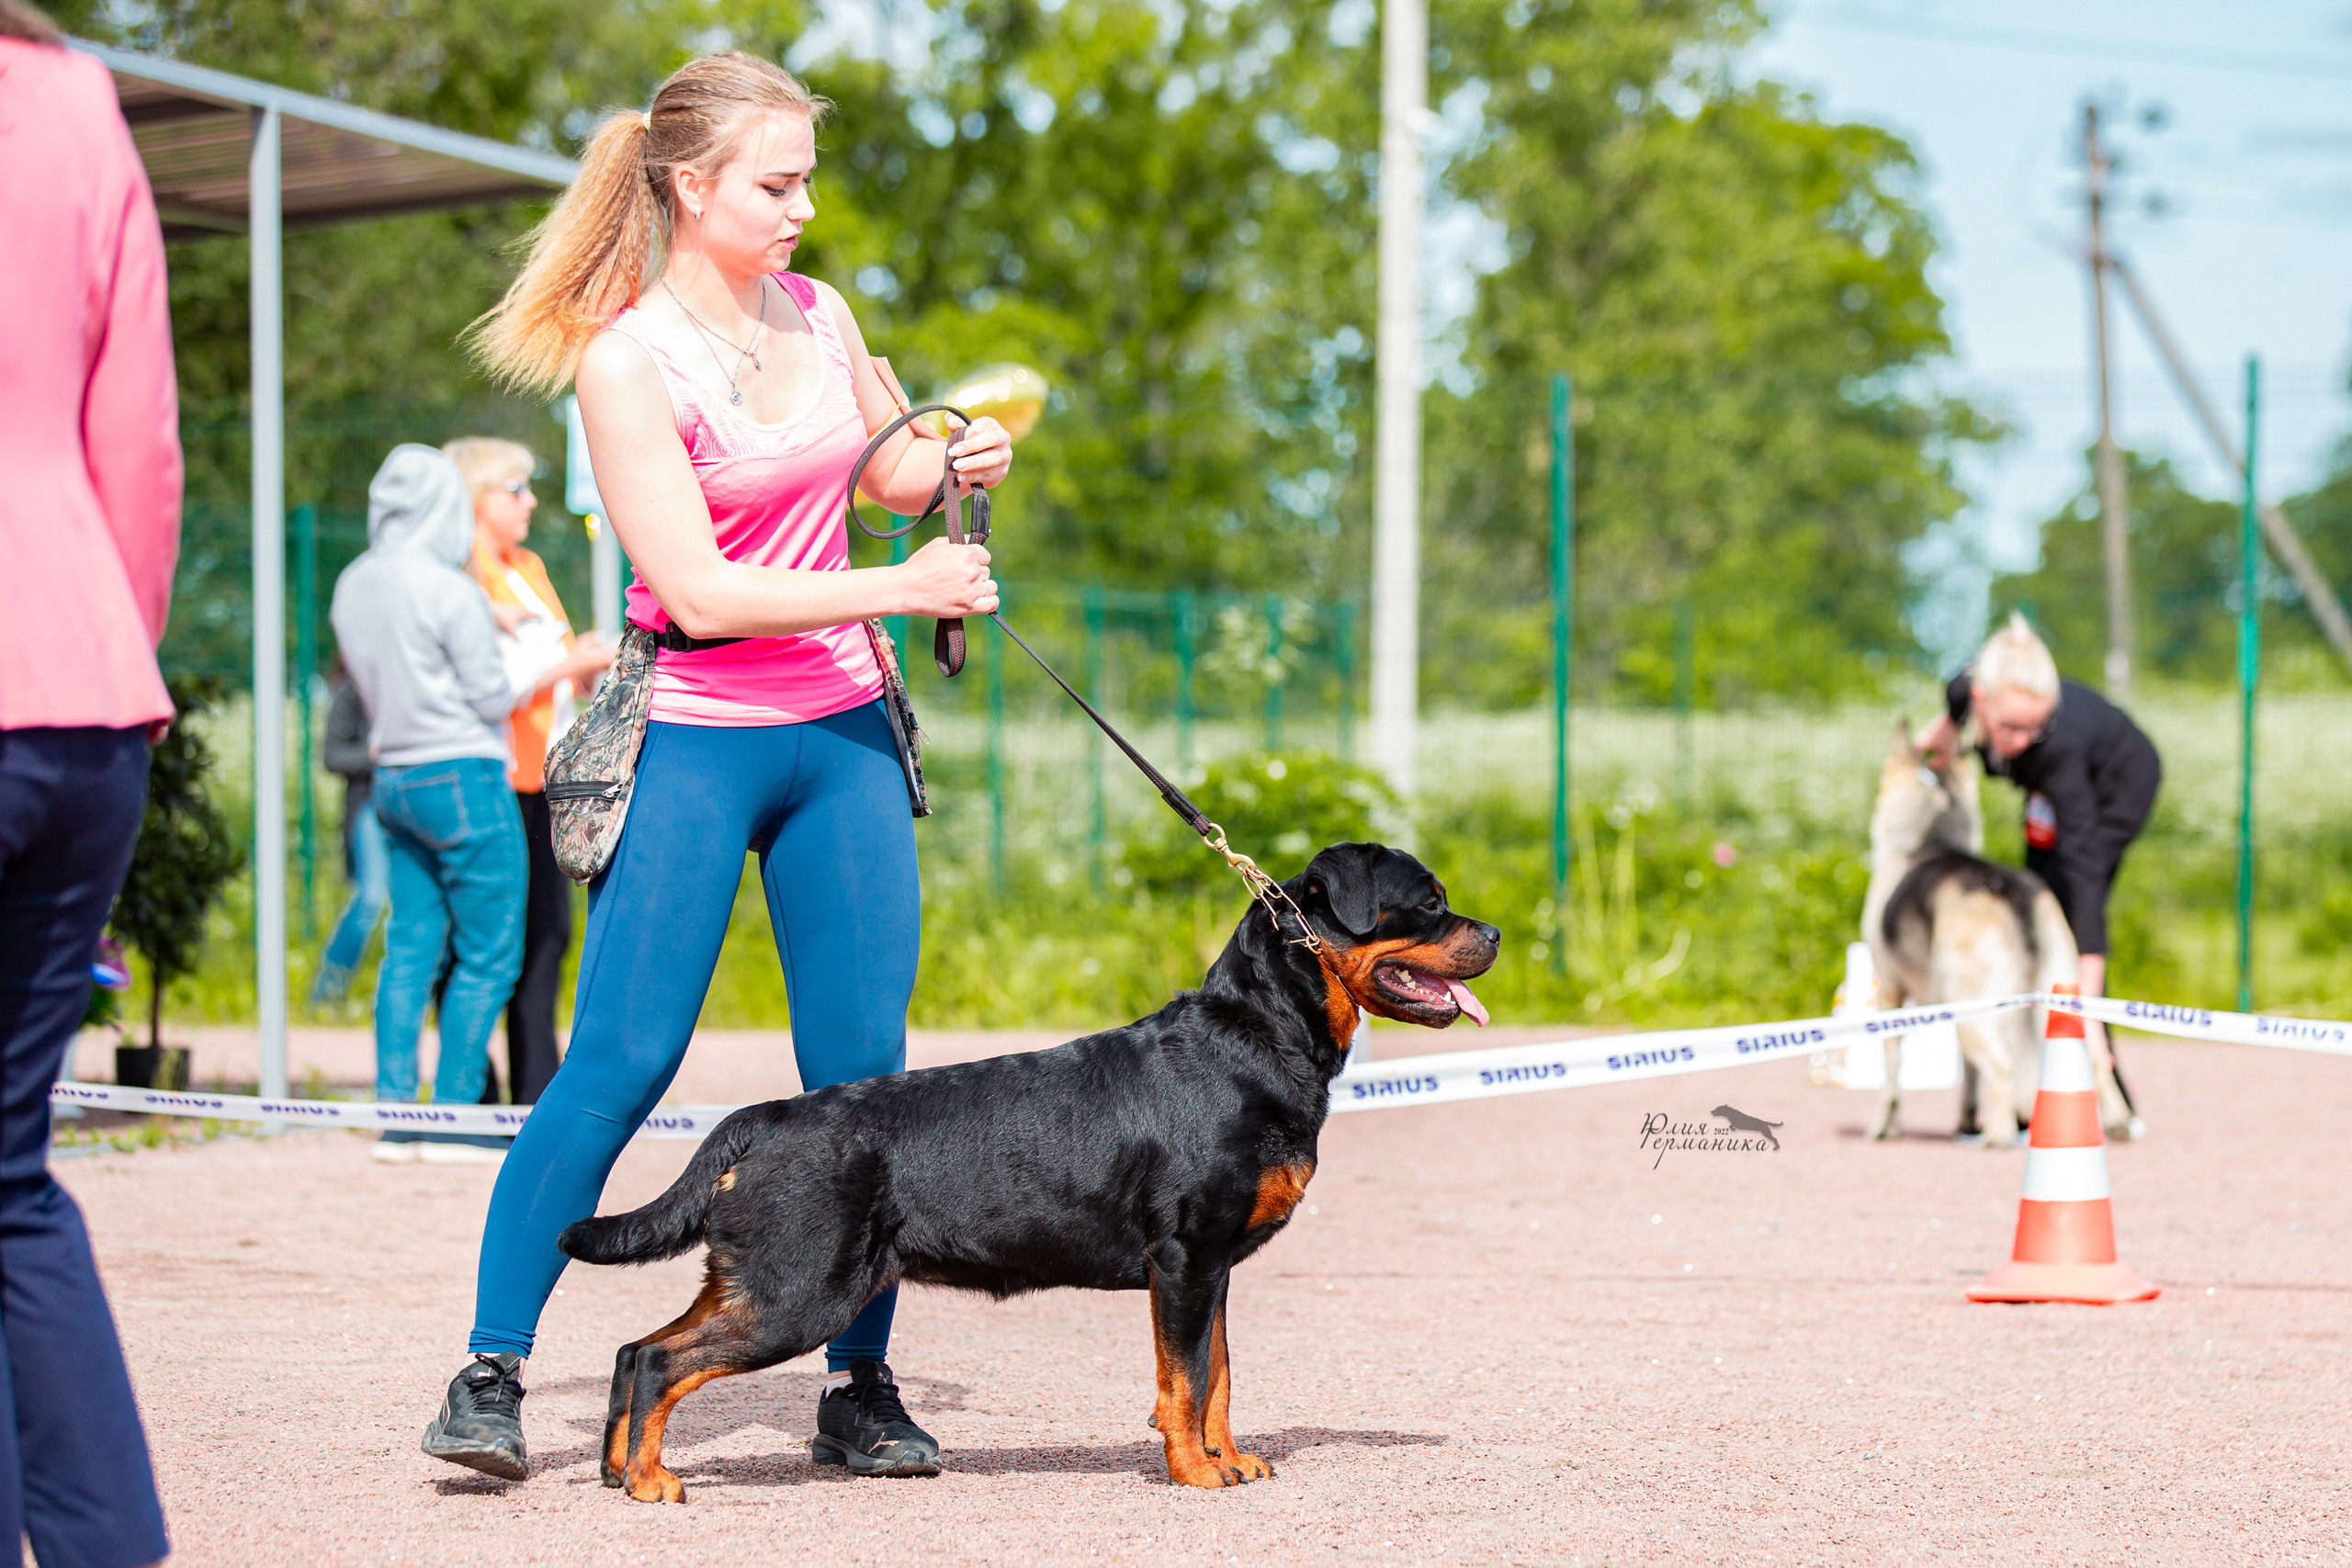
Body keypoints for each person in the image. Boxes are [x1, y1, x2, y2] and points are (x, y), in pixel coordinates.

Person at [414, 51, 1011, 1483]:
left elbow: (883, 476)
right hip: (695, 731)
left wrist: (955, 450)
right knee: (617, 1060)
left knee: (864, 1079)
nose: (805, 205)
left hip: (844, 744)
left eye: (807, 175)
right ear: (691, 185)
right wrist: (900, 590)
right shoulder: (626, 359)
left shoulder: (823, 309)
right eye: (778, 180)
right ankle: (489, 1370)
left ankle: (859, 1381)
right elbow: (699, 587)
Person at [0, 5, 176, 1562]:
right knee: (9, 1177)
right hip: (82, 691)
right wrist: (114, 652)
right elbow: (141, 444)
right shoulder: (69, 95)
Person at [330, 446, 528, 1166]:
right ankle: (452, 1123)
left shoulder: (353, 583)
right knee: (489, 951)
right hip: (464, 774)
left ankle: (396, 1120)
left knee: (409, 946)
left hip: (392, 779)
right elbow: (491, 696)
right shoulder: (450, 588)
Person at [1918, 613, 2161, 1120]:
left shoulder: (2060, 748)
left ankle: (2104, 1091)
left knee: (2065, 917)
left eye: (2036, 727)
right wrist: (1940, 736)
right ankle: (2034, 1081)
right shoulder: (1965, 690)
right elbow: (1950, 707)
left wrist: (2087, 1009)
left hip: (2117, 786)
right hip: (2048, 798)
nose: (2022, 741)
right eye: (2009, 728)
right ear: (1982, 700)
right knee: (2032, 903)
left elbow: (2086, 881)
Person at [446, 437, 613, 1103]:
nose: (529, 501)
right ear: (475, 497)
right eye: (513, 488)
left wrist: (584, 664)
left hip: (544, 774)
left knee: (547, 933)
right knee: (487, 942)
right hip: (494, 776)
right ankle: (473, 1090)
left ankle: (536, 1092)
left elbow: (553, 660)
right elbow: (492, 684)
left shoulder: (528, 565)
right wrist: (566, 667)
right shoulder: (462, 581)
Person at [312, 656, 390, 1004]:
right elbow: (332, 757)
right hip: (371, 804)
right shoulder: (351, 691)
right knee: (370, 897)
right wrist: (375, 754)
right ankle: (328, 991)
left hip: (411, 802)